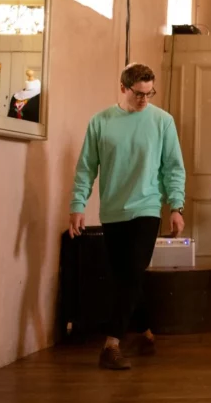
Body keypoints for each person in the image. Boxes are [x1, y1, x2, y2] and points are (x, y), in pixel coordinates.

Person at [68, 63, 186, 370]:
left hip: (147, 207)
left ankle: (112, 344)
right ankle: (145, 328)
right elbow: (86, 167)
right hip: (112, 210)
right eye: (139, 94)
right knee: (126, 276)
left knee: (132, 270)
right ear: (123, 88)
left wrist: (176, 206)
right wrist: (78, 205)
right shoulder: (101, 122)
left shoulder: (163, 122)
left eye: (150, 93)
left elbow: (173, 166)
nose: (145, 100)